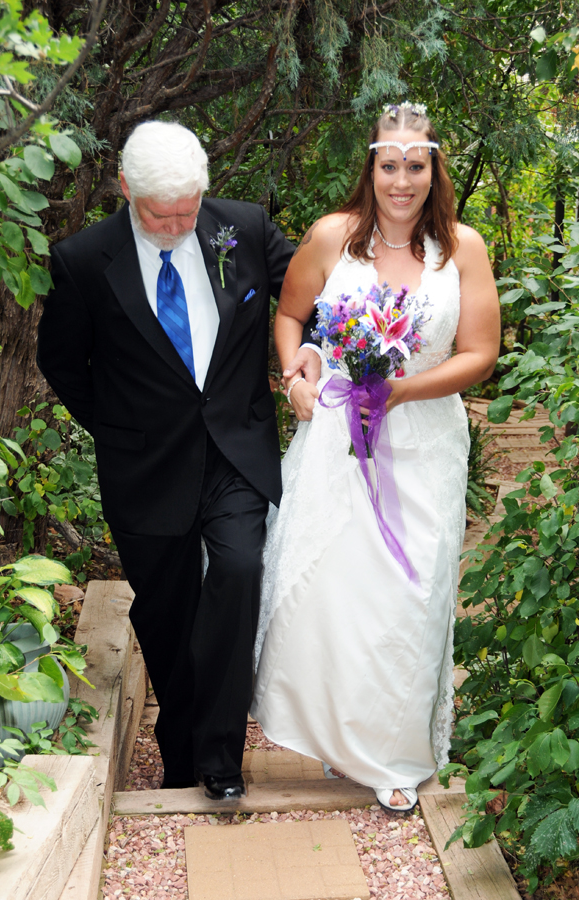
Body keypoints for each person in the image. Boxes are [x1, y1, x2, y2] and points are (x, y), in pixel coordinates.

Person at [37, 121, 320, 800]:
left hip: (236, 451)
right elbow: (61, 361)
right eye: (159, 214)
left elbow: (308, 300)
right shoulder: (83, 259)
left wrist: (309, 352)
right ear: (127, 189)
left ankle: (221, 760)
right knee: (167, 616)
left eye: (188, 211)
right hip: (144, 468)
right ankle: (184, 754)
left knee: (239, 568)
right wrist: (120, 428)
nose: (175, 225)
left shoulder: (244, 228)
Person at [251, 102, 500, 811]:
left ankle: (393, 751)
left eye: (415, 165)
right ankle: (340, 736)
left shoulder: (464, 248)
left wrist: (399, 391)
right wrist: (296, 375)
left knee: (408, 598)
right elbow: (290, 314)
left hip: (423, 444)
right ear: (372, 167)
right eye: (389, 164)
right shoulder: (332, 236)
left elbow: (481, 353)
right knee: (337, 591)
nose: (401, 179)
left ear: (432, 169)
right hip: (336, 442)